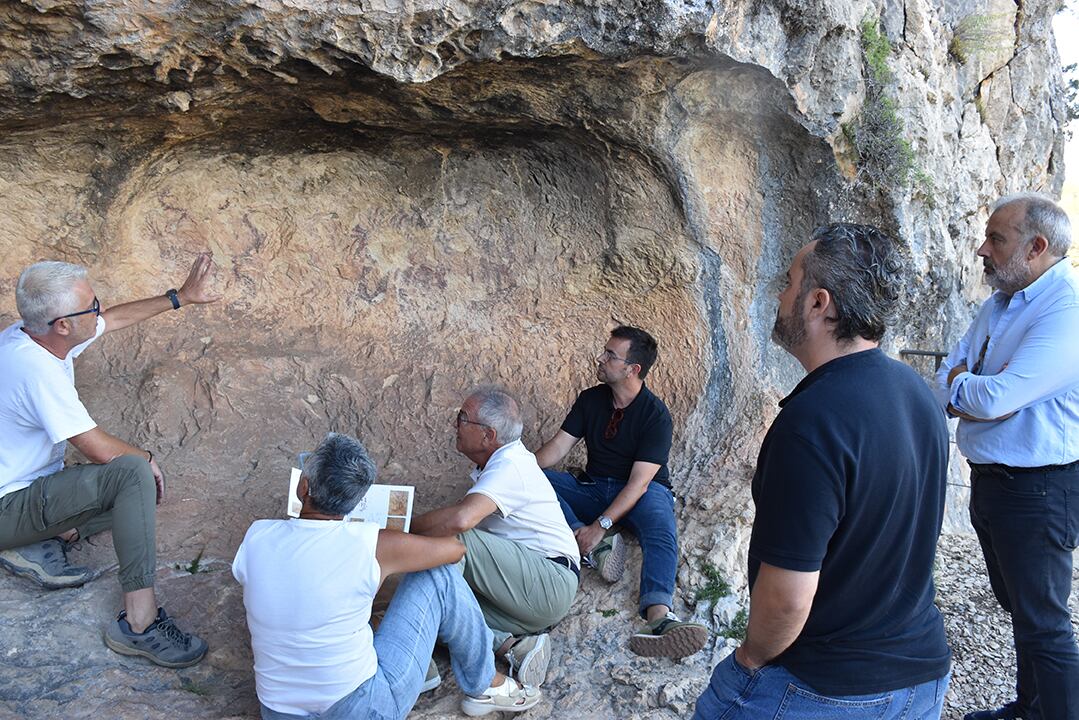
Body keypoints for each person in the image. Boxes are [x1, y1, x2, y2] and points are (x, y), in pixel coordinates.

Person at [694, 223, 952, 719]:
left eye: (789, 282)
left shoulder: (811, 423)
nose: (781, 293)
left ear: (818, 303)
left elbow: (787, 599)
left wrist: (749, 658)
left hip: (824, 688)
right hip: (920, 680)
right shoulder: (917, 394)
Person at [0, 253, 220, 667]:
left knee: (136, 494)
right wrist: (147, 457)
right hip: (8, 504)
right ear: (63, 325)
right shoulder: (35, 369)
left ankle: (44, 537)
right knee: (135, 476)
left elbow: (114, 320)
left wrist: (181, 298)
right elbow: (98, 448)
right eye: (92, 304)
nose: (99, 309)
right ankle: (140, 624)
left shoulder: (31, 334)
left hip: (25, 491)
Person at [232, 432, 541, 719]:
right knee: (437, 578)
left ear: (303, 487)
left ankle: (426, 671)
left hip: (277, 711)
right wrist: (390, 539)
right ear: (356, 502)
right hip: (362, 708)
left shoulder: (257, 535)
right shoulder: (371, 543)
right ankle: (486, 683)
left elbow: (298, 587)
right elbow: (454, 552)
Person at [937, 193, 1079, 720]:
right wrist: (968, 387)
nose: (982, 248)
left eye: (996, 238)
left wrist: (968, 388)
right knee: (1021, 610)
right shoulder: (998, 303)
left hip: (1040, 489)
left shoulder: (1066, 310)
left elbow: (995, 398)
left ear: (1037, 246)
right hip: (995, 483)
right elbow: (947, 376)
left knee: (1043, 621)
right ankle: (1030, 709)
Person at [534, 325, 707, 658]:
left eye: (610, 355)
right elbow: (557, 449)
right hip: (595, 487)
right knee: (536, 482)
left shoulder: (656, 415)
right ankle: (589, 545)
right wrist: (515, 469)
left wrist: (602, 525)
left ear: (633, 369)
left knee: (660, 527)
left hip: (644, 491)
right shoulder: (591, 399)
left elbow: (639, 483)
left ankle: (659, 616)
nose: (601, 358)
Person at [410, 386, 579, 688]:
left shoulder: (510, 464)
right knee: (436, 602)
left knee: (454, 544)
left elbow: (461, 520)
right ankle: (513, 648)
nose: (455, 425)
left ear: (488, 435)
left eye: (462, 418)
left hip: (549, 581)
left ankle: (481, 680)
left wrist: (400, 527)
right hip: (522, 602)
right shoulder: (495, 466)